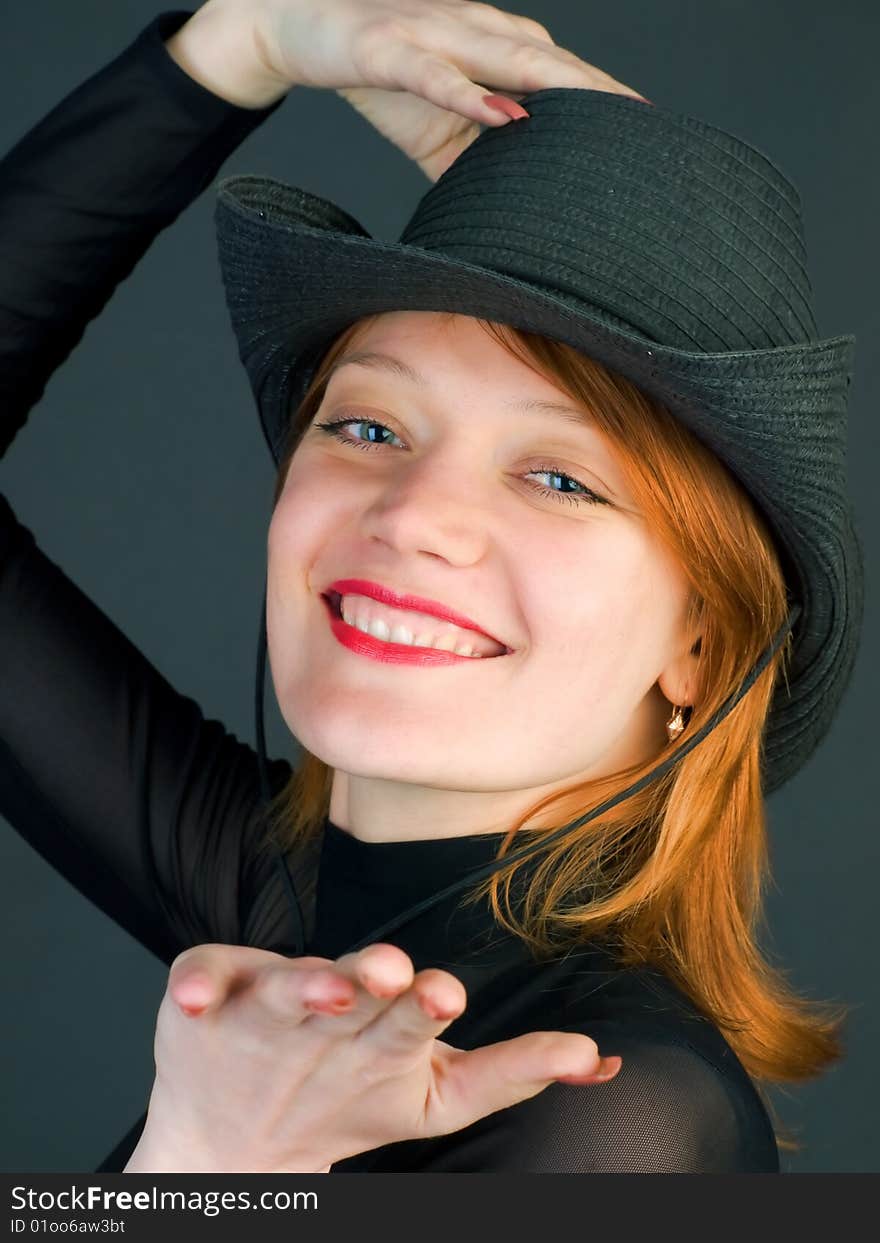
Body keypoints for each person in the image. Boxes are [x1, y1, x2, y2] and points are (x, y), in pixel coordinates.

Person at [0, 0, 863, 1174]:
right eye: (366, 422)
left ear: (700, 646)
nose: (413, 519)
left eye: (558, 476)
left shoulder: (611, 1115)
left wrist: (206, 1168)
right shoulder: (280, 901)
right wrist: (233, 48)